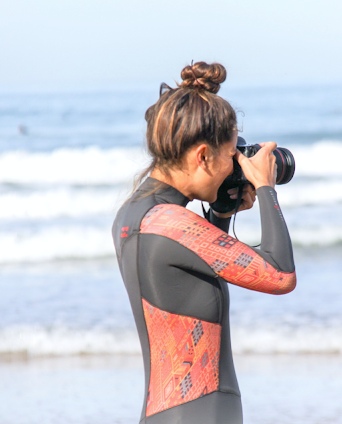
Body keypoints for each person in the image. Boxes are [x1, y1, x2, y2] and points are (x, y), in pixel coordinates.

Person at [112, 61, 297, 424]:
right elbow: (280, 275)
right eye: (232, 156)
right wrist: (264, 188)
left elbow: (195, 271)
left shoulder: (135, 214)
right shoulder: (172, 222)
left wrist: (223, 213)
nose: (235, 166)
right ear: (201, 156)